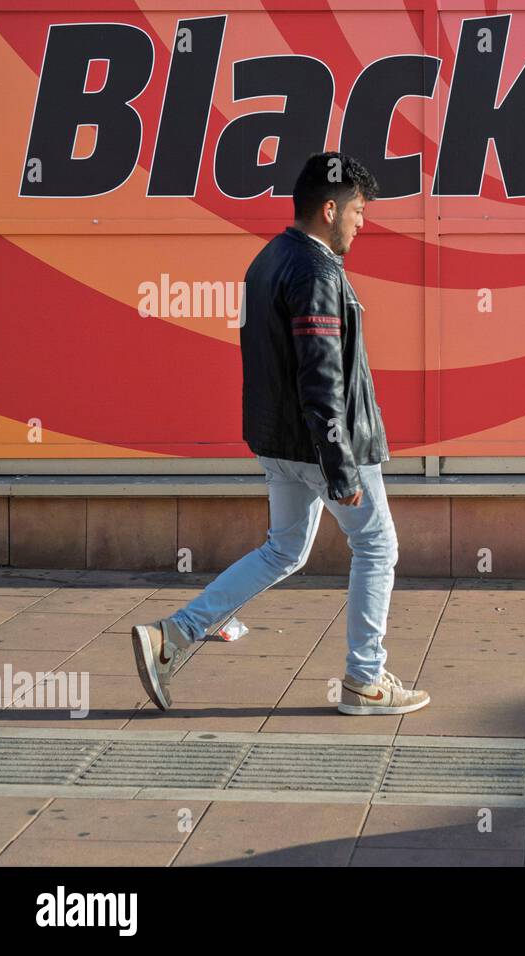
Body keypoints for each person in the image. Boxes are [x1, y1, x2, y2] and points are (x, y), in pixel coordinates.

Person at [130, 152, 430, 717]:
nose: (362, 223)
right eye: (358, 211)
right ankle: (365, 681)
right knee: (376, 545)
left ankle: (172, 635)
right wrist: (340, 467)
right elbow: (321, 375)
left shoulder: (268, 259)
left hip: (282, 444)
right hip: (324, 445)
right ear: (329, 209)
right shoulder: (317, 271)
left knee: (284, 549)